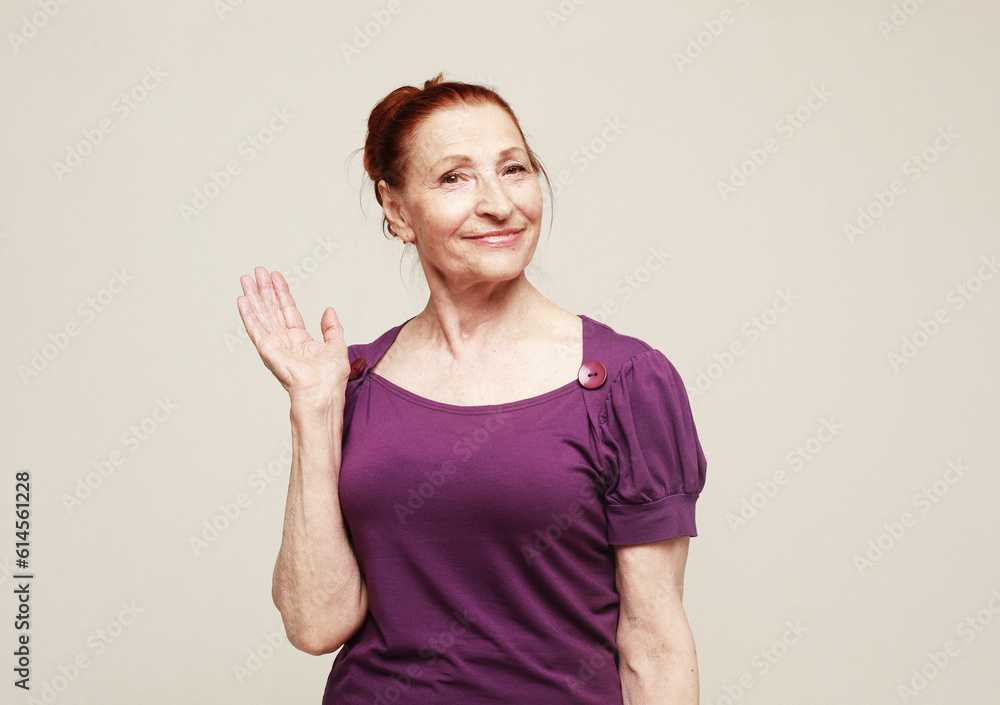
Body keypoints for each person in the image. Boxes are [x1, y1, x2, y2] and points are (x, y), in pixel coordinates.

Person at [236, 73, 707, 704]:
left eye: (514, 169)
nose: (498, 203)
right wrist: (312, 408)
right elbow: (316, 624)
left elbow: (655, 644)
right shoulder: (352, 383)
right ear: (397, 211)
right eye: (454, 177)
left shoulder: (623, 382)